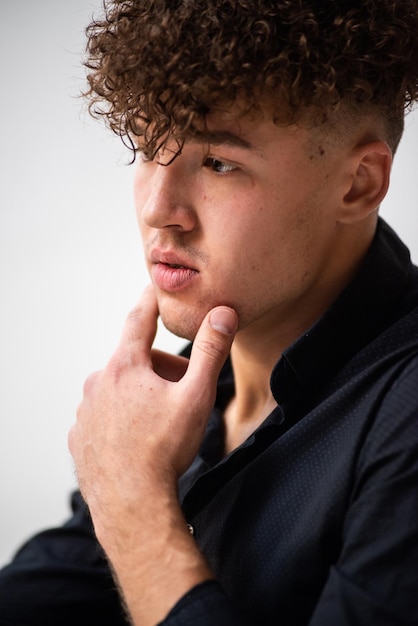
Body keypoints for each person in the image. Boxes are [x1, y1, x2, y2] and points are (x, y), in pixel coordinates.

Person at [1, 1, 418, 624]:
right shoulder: (188, 394)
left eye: (218, 163)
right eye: (146, 148)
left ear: (358, 184)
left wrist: (135, 504)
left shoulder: (405, 415)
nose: (159, 209)